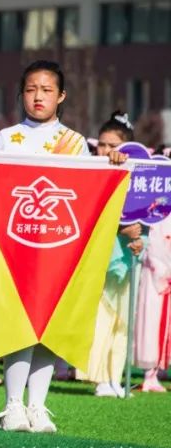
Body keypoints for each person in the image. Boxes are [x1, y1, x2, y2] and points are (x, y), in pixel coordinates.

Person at [0, 60, 126, 433]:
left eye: (47, 90)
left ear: (61, 96)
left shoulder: (75, 143)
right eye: (31, 89)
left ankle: (38, 405)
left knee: (50, 327)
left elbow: (88, 193)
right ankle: (13, 405)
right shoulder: (6, 138)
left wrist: (111, 162)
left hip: (59, 251)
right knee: (19, 326)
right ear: (21, 94)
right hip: (16, 249)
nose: (38, 97)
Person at [79, 112, 145, 397]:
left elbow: (147, 215)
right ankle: (99, 378)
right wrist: (121, 228)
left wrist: (139, 237)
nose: (105, 151)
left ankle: (115, 378)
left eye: (112, 145)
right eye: (102, 145)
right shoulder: (92, 174)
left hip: (127, 256)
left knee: (123, 320)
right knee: (102, 318)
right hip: (101, 255)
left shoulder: (138, 177)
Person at [135, 214, 171, 392]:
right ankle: (149, 374)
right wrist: (164, 272)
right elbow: (152, 247)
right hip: (156, 278)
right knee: (151, 325)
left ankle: (157, 372)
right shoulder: (159, 216)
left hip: (165, 276)